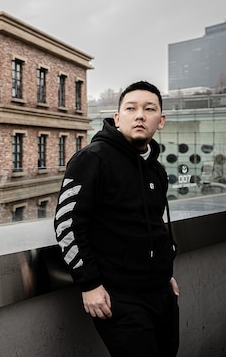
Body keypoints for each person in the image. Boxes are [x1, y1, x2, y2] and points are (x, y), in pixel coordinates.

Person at [54, 81, 179, 356]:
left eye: (149, 109)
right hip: (118, 296)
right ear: (117, 117)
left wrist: (162, 268)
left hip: (160, 292)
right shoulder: (92, 159)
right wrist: (89, 284)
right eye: (131, 108)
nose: (140, 115)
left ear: (161, 121)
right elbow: (67, 225)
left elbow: (153, 223)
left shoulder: (155, 169)